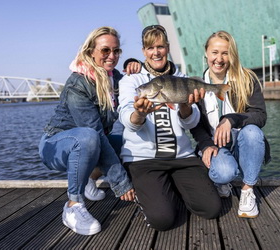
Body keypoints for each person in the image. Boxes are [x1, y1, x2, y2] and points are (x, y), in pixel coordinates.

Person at [118, 25, 222, 231]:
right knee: (162, 220)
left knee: (211, 209)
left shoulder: (182, 79)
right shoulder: (131, 80)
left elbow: (191, 123)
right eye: (150, 48)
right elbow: (126, 119)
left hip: (181, 157)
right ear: (143, 52)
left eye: (160, 47)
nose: (155, 52)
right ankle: (154, 192)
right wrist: (139, 114)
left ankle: (170, 187)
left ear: (167, 48)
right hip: (144, 160)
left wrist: (185, 106)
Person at [38, 26, 135, 236]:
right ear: (91, 51)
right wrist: (121, 182)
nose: (112, 56)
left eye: (117, 51)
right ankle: (73, 206)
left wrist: (134, 66)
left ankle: (88, 178)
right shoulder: (78, 83)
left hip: (89, 144)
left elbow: (141, 86)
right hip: (55, 146)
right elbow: (96, 134)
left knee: (128, 142)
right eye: (105, 50)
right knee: (89, 137)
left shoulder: (114, 78)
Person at [190, 30, 271, 218]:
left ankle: (247, 190)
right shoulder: (197, 84)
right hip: (217, 145)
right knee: (224, 172)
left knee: (252, 131)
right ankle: (223, 179)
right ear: (206, 53)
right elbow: (195, 125)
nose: (219, 59)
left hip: (243, 141)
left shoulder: (246, 78)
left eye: (225, 53)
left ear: (232, 55)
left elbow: (260, 115)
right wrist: (205, 144)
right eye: (214, 52)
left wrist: (231, 119)